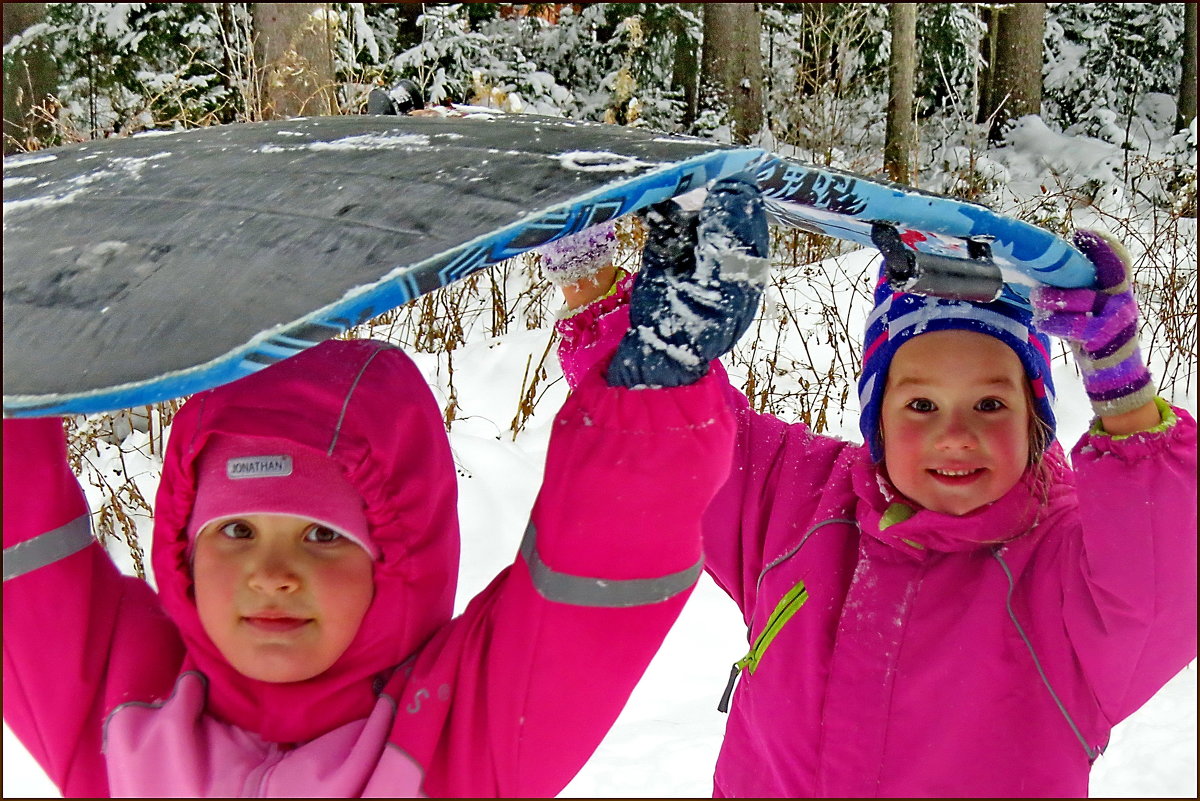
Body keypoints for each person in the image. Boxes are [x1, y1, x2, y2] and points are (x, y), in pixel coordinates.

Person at [0, 181, 767, 797]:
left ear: (395, 560)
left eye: (322, 533)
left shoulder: (457, 740)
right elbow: (17, 546)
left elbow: (592, 591)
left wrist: (656, 386)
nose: (272, 572)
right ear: (182, 550)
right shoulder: (122, 715)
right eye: (236, 531)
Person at [551, 178, 1197, 797]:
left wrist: (1123, 387)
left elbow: (1162, 586)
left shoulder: (1057, 579)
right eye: (921, 405)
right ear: (877, 415)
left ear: (1034, 417)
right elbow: (675, 435)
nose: (955, 434)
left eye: (990, 405)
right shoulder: (801, 504)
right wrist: (590, 282)